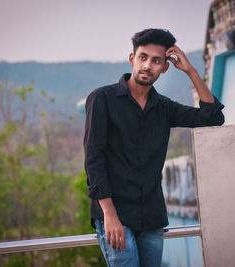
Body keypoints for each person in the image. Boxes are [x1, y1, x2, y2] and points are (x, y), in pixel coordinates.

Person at [83, 28, 224, 267]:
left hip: (152, 217)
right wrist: (109, 214)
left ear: (165, 67)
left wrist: (190, 71)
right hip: (115, 215)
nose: (148, 66)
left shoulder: (164, 108)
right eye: (143, 57)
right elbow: (93, 159)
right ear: (132, 59)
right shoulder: (102, 99)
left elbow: (212, 118)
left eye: (156, 61)